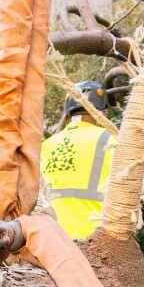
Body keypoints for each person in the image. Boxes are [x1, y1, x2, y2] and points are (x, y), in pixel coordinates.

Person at [40, 81, 114, 241]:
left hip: (51, 241)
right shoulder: (112, 141)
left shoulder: (46, 146)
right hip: (98, 242)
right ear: (103, 114)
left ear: (67, 117)